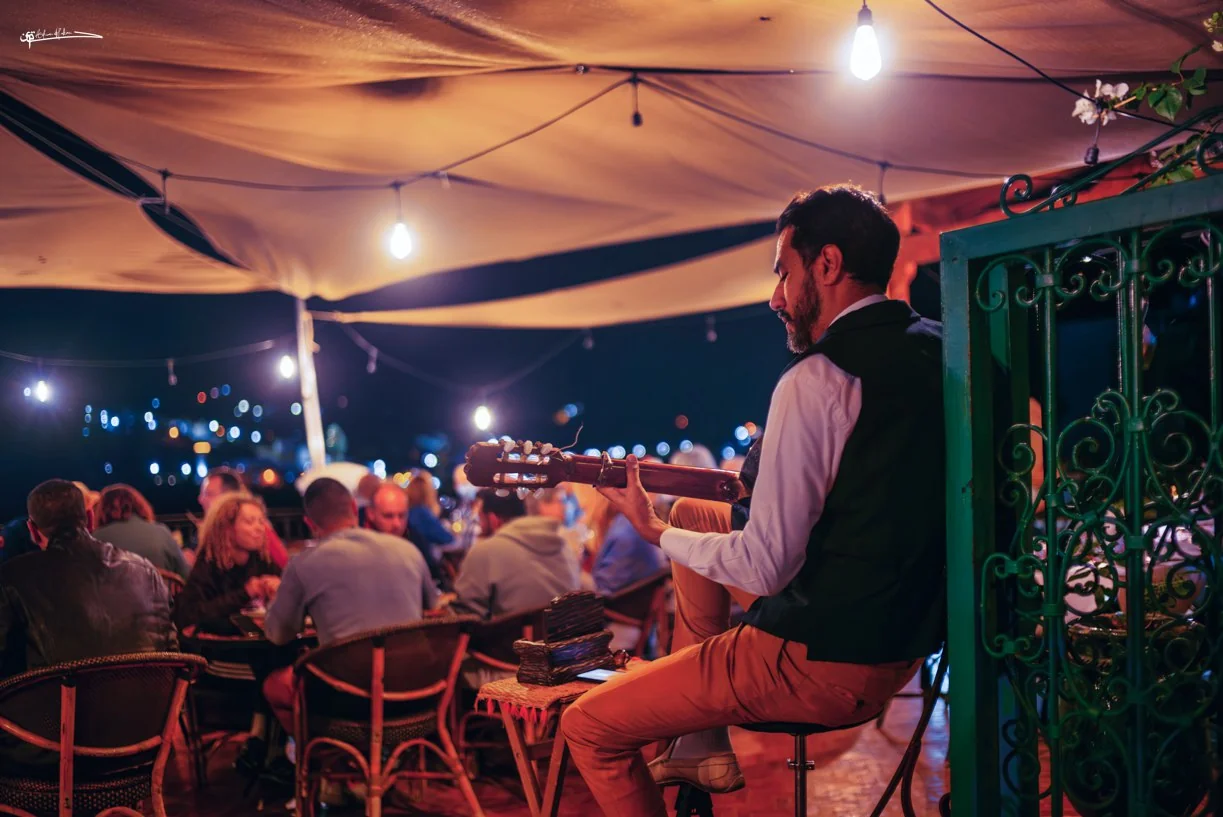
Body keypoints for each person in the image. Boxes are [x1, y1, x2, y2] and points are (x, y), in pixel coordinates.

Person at [561, 185, 947, 817]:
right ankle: (702, 739)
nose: (776, 298)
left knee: (589, 726)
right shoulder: (936, 348)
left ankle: (699, 730)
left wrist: (653, 532)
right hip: (901, 643)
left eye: (783, 273)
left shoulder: (816, 381)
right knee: (697, 514)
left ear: (826, 265)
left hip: (820, 659)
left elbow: (766, 568)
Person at [0, 480, 178, 775]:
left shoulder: (12, 578)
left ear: (33, 531)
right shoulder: (145, 570)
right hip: (146, 745)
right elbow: (172, 654)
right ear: (90, 518)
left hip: (57, 755)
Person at [261, 478, 438, 732]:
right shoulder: (408, 550)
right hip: (420, 690)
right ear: (355, 509)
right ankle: (386, 756)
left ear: (309, 523)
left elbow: (278, 635)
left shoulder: (303, 565)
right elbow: (433, 607)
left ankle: (320, 761)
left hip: (352, 700)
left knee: (274, 685)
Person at [449, 488, 581, 619]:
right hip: (566, 637)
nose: (479, 525)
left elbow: (466, 616)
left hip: (509, 639)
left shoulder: (485, 552)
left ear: (493, 519)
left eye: (480, 518)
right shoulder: (565, 547)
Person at [174, 493, 281, 636]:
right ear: (227, 528)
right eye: (250, 522)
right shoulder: (210, 563)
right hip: (221, 650)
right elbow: (188, 616)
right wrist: (245, 593)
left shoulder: (261, 559)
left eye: (261, 522)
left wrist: (281, 589)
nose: (259, 528)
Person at [197, 468, 289, 568]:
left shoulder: (257, 532)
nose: (200, 500)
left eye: (208, 494)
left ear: (228, 497)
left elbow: (283, 564)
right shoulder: (215, 534)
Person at [93, 483, 190, 579]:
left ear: (102, 510)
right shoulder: (161, 532)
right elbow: (186, 576)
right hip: (156, 594)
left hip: (111, 594)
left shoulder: (96, 539)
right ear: (138, 505)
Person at [366, 482, 442, 581]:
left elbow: (435, 580)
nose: (397, 524)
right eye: (388, 516)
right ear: (371, 513)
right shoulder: (359, 545)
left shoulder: (417, 542)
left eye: (402, 515)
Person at [405, 473, 453, 581]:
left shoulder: (408, 512)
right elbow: (446, 538)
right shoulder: (422, 514)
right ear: (429, 492)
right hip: (425, 570)